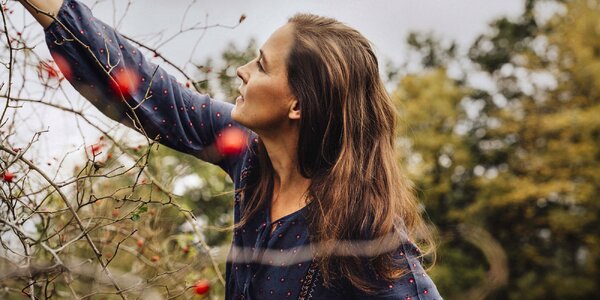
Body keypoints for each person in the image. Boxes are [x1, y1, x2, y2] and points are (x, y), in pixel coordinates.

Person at [18, 0, 442, 298]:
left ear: (297, 104)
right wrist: (53, 8)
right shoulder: (249, 157)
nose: (241, 71)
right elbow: (150, 92)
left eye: (260, 65)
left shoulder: (365, 228)